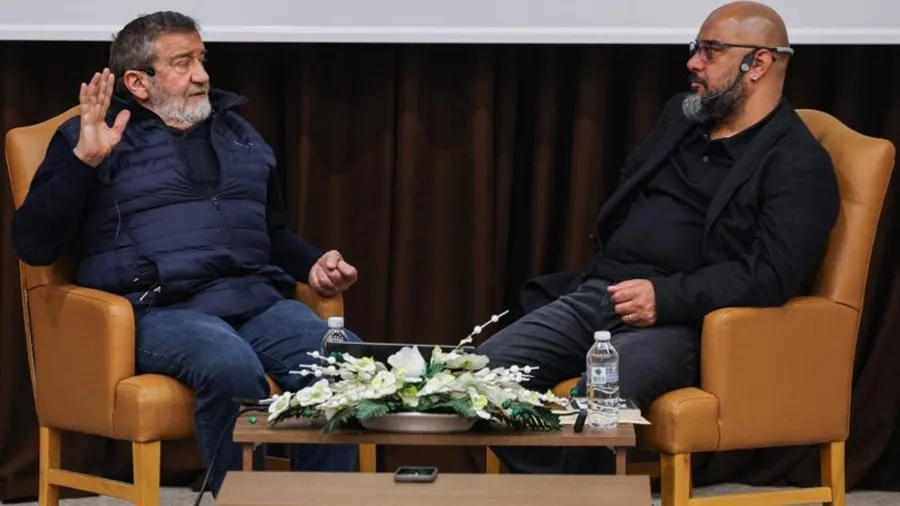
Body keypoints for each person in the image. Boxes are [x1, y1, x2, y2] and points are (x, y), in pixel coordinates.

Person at [478, 0, 840, 474]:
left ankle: (573, 491)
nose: (693, 63)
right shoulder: (681, 119)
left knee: (605, 389)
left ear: (758, 63)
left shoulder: (797, 163)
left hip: (683, 323)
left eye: (710, 51)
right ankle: (566, 488)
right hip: (601, 292)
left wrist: (665, 297)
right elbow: (630, 187)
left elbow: (772, 274)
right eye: (696, 48)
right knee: (483, 374)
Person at [11, 11, 361, 495]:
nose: (202, 75)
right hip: (158, 310)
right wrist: (83, 163)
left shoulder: (239, 135)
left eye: (201, 59)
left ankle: (320, 502)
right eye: (183, 63)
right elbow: (33, 244)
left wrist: (313, 264)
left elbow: (271, 233)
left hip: (254, 301)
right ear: (138, 82)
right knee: (229, 363)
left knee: (343, 362)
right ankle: (247, 501)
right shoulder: (86, 139)